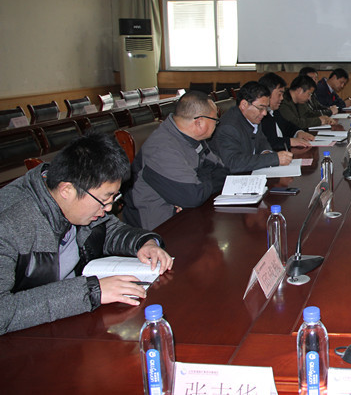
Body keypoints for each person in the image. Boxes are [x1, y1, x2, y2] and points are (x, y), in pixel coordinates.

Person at [0, 132, 173, 335]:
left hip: (67, 321)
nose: (109, 209)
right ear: (67, 190)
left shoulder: (75, 198)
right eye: (104, 200)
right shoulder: (9, 222)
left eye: (113, 198)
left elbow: (107, 229)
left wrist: (144, 243)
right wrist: (91, 291)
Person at [124, 91, 229, 230]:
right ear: (199, 123)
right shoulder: (162, 148)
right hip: (157, 229)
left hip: (187, 216)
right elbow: (193, 196)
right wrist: (200, 181)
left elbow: (223, 171)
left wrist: (199, 181)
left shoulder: (193, 138)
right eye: (215, 120)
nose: (217, 124)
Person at [209, 81, 294, 174]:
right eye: (261, 108)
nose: (264, 113)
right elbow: (233, 163)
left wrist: (265, 152)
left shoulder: (252, 117)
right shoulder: (228, 127)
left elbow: (262, 141)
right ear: (244, 105)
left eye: (266, 108)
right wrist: (271, 158)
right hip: (228, 178)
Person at [259, 73, 314, 151]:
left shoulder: (275, 111)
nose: (282, 98)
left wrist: (299, 132)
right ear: (267, 94)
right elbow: (269, 142)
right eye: (279, 94)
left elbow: (287, 126)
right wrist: (290, 141)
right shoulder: (260, 116)